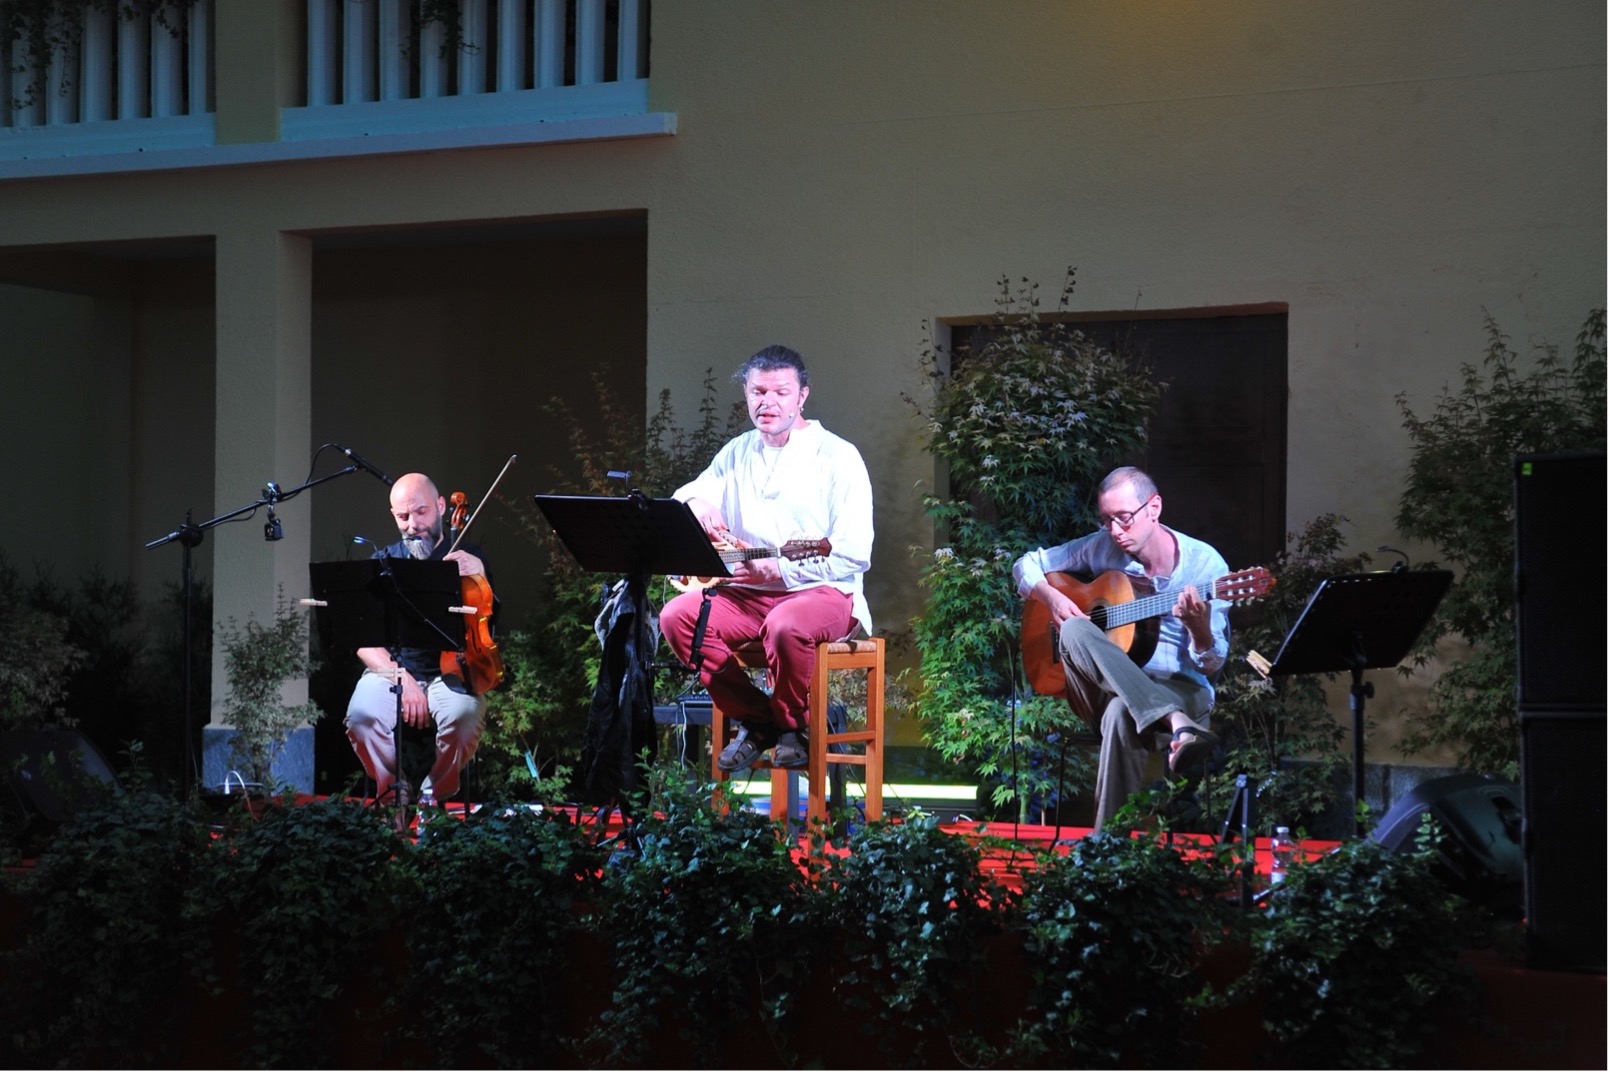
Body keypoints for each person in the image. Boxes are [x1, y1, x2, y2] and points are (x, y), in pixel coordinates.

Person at [661, 344, 874, 770]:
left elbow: (854, 551)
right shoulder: (737, 452)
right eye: (758, 392)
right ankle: (759, 721)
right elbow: (686, 494)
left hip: (822, 592)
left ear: (802, 396)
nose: (768, 402)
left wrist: (779, 567)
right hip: (747, 593)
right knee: (677, 617)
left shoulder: (838, 456)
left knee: (785, 623)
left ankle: (793, 725)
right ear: (746, 395)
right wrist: (695, 503)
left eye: (780, 392)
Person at [1012, 466, 1230, 831]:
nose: (1115, 531)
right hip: (1099, 685)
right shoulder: (1102, 547)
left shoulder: (1206, 565)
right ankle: (1178, 723)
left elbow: (1211, 663)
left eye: (1124, 518)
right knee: (1075, 628)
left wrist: (1199, 629)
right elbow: (1026, 564)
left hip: (1181, 687)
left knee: (1120, 714)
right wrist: (1050, 598)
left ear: (1154, 508)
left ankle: (1108, 843)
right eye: (1107, 520)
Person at [344, 472, 491, 819]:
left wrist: (481, 573)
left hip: (452, 671)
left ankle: (431, 795)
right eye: (403, 517)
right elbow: (362, 641)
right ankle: (393, 791)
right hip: (393, 671)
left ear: (441, 507)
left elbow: (489, 623)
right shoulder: (383, 561)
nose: (413, 525)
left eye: (421, 512)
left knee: (465, 717)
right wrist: (401, 677)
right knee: (360, 718)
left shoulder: (471, 560)